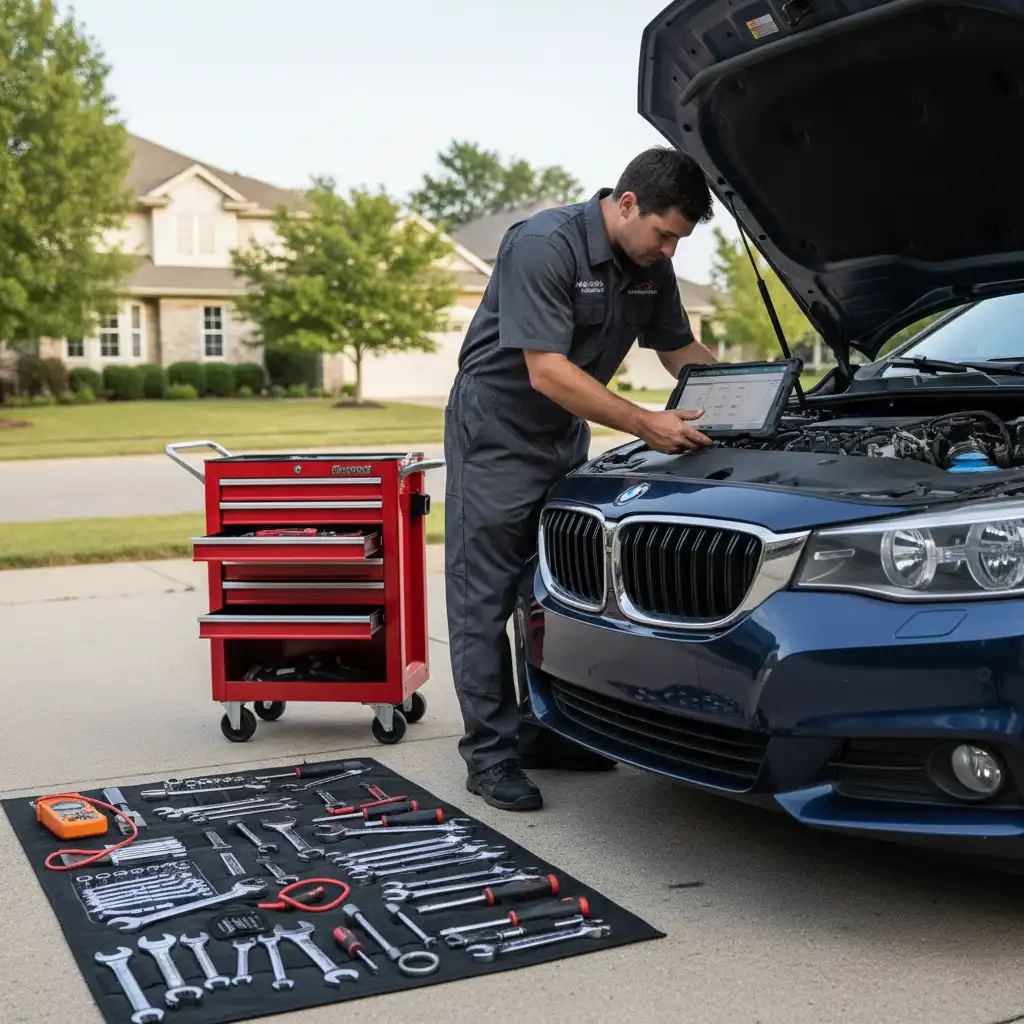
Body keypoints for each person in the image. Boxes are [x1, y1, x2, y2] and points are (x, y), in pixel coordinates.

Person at [444, 146, 718, 811]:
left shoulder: (651, 265)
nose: (670, 250)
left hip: (564, 433)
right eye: (664, 234)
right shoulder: (542, 244)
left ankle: (539, 731)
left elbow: (680, 352)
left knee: (542, 593)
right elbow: (546, 369)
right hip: (498, 435)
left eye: (681, 239)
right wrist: (645, 424)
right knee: (482, 598)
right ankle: (489, 755)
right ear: (627, 204)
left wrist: (757, 395)